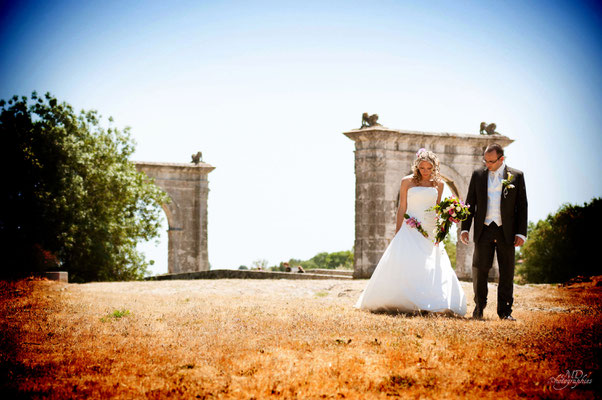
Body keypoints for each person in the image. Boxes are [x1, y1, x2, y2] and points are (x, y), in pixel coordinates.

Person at [355, 149, 467, 316]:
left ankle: (430, 301)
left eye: (429, 168)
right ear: (417, 167)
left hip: (430, 228)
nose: (426, 172)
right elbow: (402, 207)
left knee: (431, 264)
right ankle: (403, 299)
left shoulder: (439, 184)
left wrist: (444, 222)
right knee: (408, 261)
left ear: (435, 168)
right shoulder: (406, 182)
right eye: (422, 168)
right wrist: (398, 231)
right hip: (410, 226)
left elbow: (437, 209)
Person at [460, 143, 527, 321]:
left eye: (491, 161)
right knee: (479, 269)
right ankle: (479, 307)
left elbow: (522, 206)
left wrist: (521, 233)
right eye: (485, 160)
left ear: (501, 159)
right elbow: (470, 203)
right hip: (484, 229)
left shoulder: (517, 176)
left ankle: (505, 311)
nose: (487, 164)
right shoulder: (478, 175)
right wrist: (465, 228)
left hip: (507, 231)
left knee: (506, 271)